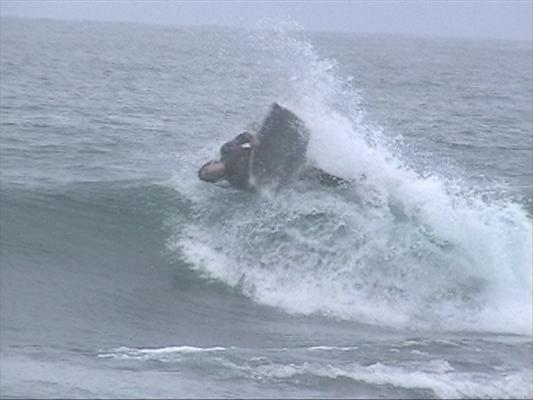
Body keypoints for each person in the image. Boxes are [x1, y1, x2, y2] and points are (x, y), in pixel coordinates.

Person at [198, 103, 348, 190]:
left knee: (264, 123)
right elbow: (255, 186)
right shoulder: (235, 181)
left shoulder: (227, 150)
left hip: (266, 148)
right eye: (208, 177)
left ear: (211, 163)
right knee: (310, 173)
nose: (209, 173)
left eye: (206, 170)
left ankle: (296, 125)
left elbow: (242, 136)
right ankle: (344, 184)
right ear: (216, 180)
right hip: (274, 167)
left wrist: (252, 139)